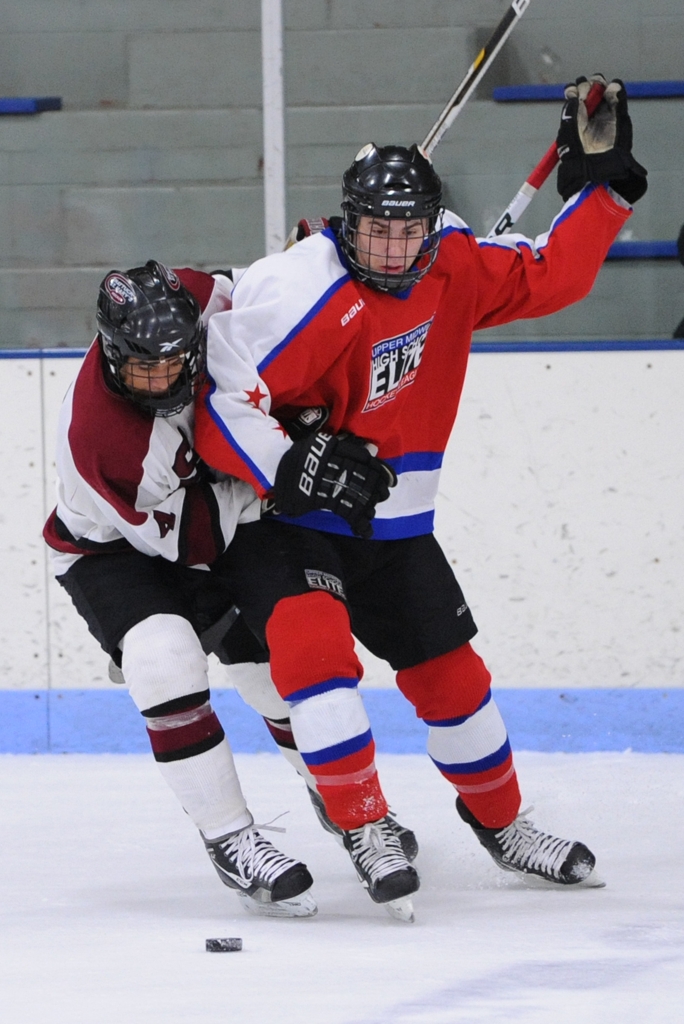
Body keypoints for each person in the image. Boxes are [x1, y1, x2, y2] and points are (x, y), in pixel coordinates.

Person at [192, 75, 648, 918]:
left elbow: (553, 273)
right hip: (285, 525)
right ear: (345, 223)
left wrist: (603, 187)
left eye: (409, 233)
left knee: (456, 684)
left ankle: (505, 826)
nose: (394, 251)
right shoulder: (299, 290)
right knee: (318, 668)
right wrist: (296, 461)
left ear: (428, 230)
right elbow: (217, 399)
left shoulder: (458, 266)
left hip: (396, 531)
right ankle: (364, 824)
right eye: (376, 233)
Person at [42, 260, 321, 918]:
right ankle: (231, 837)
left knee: (274, 678)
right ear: (112, 350)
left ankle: (342, 797)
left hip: (205, 515)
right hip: (115, 550)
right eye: (142, 366)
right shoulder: (105, 440)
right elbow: (197, 546)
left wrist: (313, 258)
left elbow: (257, 284)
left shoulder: (194, 297)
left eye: (173, 362)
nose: (161, 378)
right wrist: (287, 461)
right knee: (164, 655)